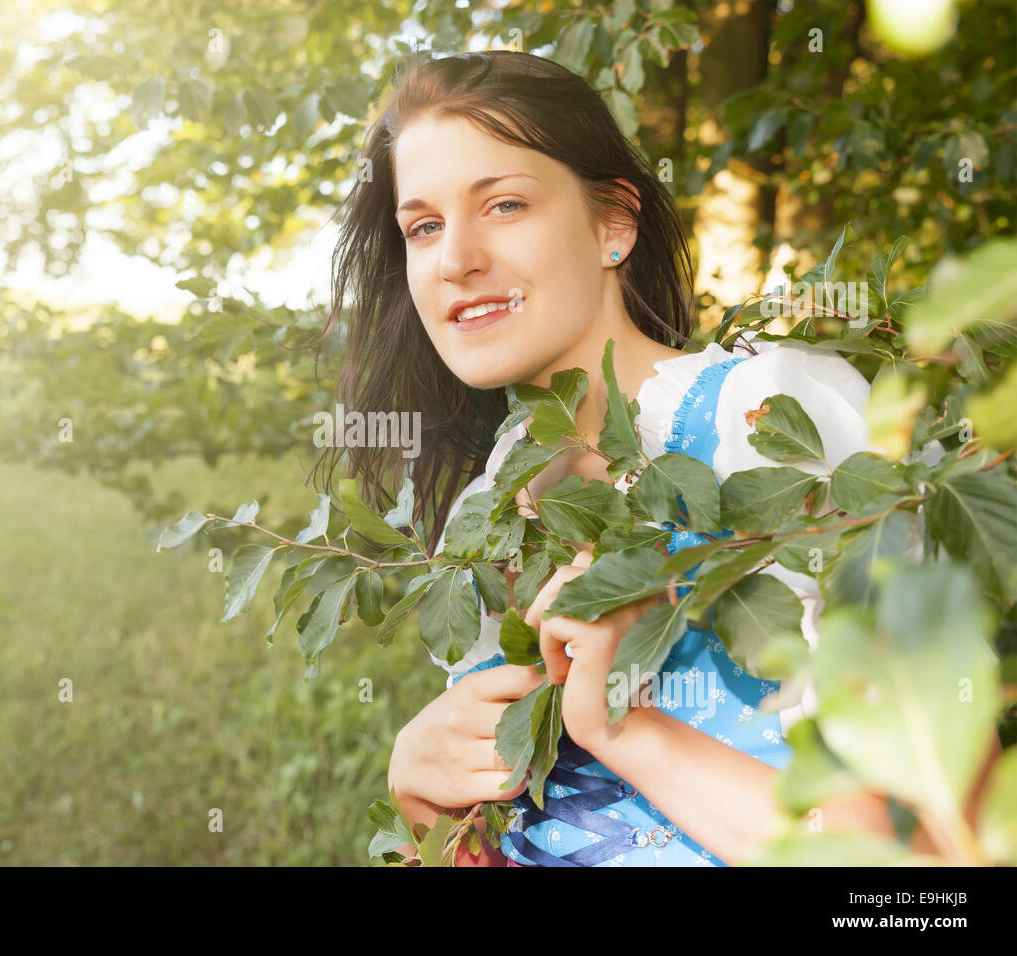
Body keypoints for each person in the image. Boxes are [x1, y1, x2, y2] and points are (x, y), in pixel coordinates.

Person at [311, 50, 969, 866]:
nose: (454, 259)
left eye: (505, 204)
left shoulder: (766, 414)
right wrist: (419, 797)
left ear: (612, 225)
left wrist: (624, 729)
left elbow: (935, 861)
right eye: (424, 226)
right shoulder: (489, 506)